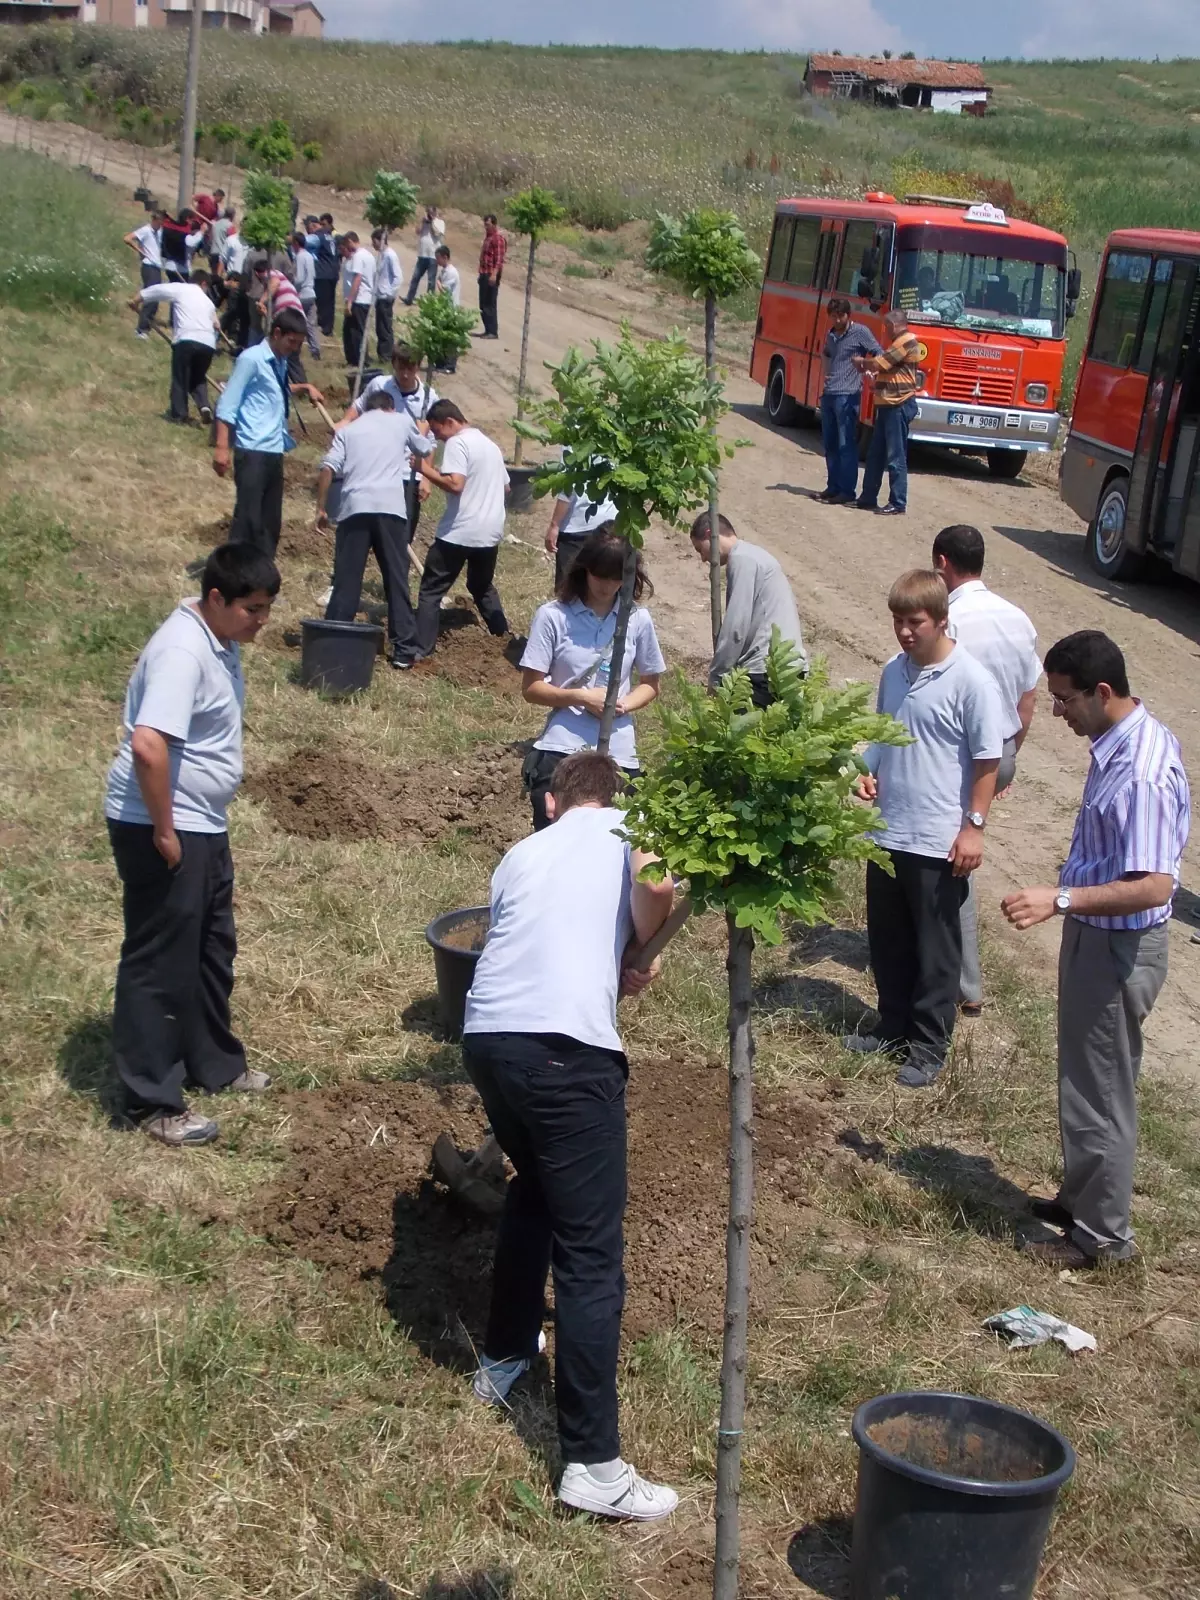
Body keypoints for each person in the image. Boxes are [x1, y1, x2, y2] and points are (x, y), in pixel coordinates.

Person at [462, 749, 679, 1522]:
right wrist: (639, 946)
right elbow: (658, 886)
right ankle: (593, 1464)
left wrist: (618, 949)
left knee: (535, 1192)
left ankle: (505, 1352)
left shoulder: (521, 851)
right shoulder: (633, 824)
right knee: (591, 1255)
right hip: (567, 1052)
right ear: (611, 799)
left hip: (489, 1038)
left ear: (554, 803)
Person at [1002, 632, 1190, 1268]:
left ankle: (1102, 1238)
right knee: (1085, 1079)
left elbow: (1155, 885)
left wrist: (1060, 900)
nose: (1057, 712)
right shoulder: (1118, 742)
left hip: (1119, 947)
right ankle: (1081, 1198)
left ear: (1102, 692)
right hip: (1099, 941)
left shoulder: (1139, 771)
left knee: (1103, 1092)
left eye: (1063, 700)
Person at [104, 543, 280, 1147]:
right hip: (165, 824)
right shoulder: (182, 651)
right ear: (215, 599)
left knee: (209, 948)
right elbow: (149, 745)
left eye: (266, 608)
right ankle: (150, 1100)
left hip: (201, 821)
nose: (263, 620)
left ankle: (214, 1063)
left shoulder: (220, 640)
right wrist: (163, 829)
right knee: (160, 960)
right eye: (253, 609)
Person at [845, 570, 1003, 1087]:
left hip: (938, 839)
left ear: (941, 619)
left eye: (915, 622)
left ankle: (929, 1046)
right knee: (888, 940)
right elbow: (883, 737)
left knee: (937, 951)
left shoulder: (971, 681)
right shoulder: (894, 672)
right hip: (889, 831)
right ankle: (891, 1026)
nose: (905, 632)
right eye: (897, 621)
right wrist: (866, 771)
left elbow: (988, 761)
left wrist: (973, 827)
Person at [933, 524, 1042, 1018]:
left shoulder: (948, 619)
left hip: (960, 758)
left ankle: (964, 983)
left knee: (953, 862)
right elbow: (1028, 697)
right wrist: (1009, 756)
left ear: (942, 563)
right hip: (1000, 749)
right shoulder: (1016, 618)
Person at [520, 531, 665, 830]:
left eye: (617, 578)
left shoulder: (637, 620)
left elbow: (650, 683)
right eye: (601, 576)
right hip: (564, 743)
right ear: (585, 569)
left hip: (619, 749)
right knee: (555, 831)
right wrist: (581, 697)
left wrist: (621, 705)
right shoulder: (553, 616)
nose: (608, 586)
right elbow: (531, 688)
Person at [317, 390, 434, 670]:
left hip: (354, 508)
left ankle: (334, 643)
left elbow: (328, 467)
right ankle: (404, 649)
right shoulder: (402, 421)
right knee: (395, 578)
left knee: (347, 580)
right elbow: (425, 448)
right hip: (390, 509)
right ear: (390, 408)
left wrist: (321, 508)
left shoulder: (349, 430)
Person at [214, 308, 325, 556]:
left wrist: (305, 387)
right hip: (252, 449)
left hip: (274, 450)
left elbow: (278, 388)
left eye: (299, 344)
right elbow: (227, 404)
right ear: (277, 333)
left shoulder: (279, 361)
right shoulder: (251, 359)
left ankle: (261, 580)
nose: (294, 348)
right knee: (248, 520)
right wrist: (222, 448)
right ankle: (234, 574)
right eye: (291, 342)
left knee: (269, 523)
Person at [413, 401, 510, 658]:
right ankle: (503, 636)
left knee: (431, 592)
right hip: (489, 532)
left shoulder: (458, 442)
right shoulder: (491, 446)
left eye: (437, 431)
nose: (438, 439)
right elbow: (506, 488)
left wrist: (423, 469)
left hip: (460, 532)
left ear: (450, 422)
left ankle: (421, 652)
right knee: (481, 586)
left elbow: (456, 484)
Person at [689, 513, 807, 708]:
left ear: (711, 534)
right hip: (789, 666)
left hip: (765, 671)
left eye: (700, 549)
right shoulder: (755, 556)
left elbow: (736, 626)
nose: (702, 558)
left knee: (741, 735)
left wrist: (717, 677)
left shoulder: (742, 559)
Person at [340, 344, 437, 534]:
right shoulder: (379, 385)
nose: (406, 374)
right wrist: (344, 422)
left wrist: (426, 478)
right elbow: (358, 406)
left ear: (418, 367)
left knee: (404, 531)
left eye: (411, 368)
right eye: (401, 368)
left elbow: (430, 442)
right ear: (394, 364)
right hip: (377, 468)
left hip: (408, 475)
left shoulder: (428, 397)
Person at [854, 308, 923, 516]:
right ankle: (868, 497)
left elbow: (880, 363)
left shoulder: (907, 340)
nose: (885, 331)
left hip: (898, 405)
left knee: (895, 456)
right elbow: (888, 370)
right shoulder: (898, 343)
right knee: (876, 455)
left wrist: (861, 363)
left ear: (893, 325)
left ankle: (898, 502)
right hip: (887, 404)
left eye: (887, 327)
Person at [131, 267, 220, 426]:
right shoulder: (208, 302)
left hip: (186, 339)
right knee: (198, 378)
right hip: (208, 343)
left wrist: (135, 300)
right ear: (203, 283)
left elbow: (156, 290)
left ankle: (179, 414)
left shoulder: (181, 289)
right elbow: (216, 324)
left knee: (180, 377)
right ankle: (204, 406)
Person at [818, 297, 880, 504]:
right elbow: (827, 354)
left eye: (840, 316)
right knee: (830, 444)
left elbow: (879, 353)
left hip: (848, 394)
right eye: (833, 316)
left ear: (848, 315)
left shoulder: (860, 332)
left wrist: (866, 367)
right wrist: (827, 372)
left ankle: (847, 491)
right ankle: (833, 487)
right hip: (829, 393)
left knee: (846, 445)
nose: (836, 320)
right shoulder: (832, 335)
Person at [544, 458, 618, 589]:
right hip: (609, 527)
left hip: (576, 528)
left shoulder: (576, 444)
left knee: (568, 587)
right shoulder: (619, 443)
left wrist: (554, 525)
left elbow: (567, 488)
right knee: (602, 584)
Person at [125, 209, 166, 337]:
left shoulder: (160, 232)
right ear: (154, 220)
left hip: (157, 266)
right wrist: (140, 251)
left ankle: (146, 326)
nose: (160, 225)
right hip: (148, 265)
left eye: (162, 223)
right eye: (158, 222)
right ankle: (141, 329)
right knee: (151, 297)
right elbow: (127, 238)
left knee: (155, 297)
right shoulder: (146, 230)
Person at [340, 232, 376, 368]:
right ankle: (355, 359)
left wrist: (350, 301)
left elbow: (358, 279)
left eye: (346, 244)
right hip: (362, 299)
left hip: (359, 299)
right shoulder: (368, 255)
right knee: (350, 330)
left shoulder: (358, 257)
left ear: (350, 241)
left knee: (356, 332)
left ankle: (359, 360)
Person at [370, 228, 402, 365]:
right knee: (380, 327)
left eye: (374, 242)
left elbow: (398, 277)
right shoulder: (382, 255)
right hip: (380, 297)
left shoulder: (390, 255)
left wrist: (389, 293)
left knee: (385, 327)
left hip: (385, 297)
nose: (373, 245)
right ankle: (382, 353)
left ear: (380, 240)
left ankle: (387, 355)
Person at [404, 205, 445, 304]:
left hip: (433, 255)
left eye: (431, 213)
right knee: (415, 277)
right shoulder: (424, 222)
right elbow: (417, 231)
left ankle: (429, 302)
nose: (429, 215)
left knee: (431, 281)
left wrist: (431, 222)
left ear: (435, 213)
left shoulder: (440, 223)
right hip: (422, 254)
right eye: (427, 212)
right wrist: (422, 222)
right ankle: (409, 298)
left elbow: (436, 234)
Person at [291, 230, 321, 361]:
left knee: (296, 322)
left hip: (302, 294)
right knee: (310, 324)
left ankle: (295, 347)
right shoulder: (309, 256)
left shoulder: (299, 256)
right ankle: (315, 350)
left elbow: (299, 278)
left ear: (296, 243)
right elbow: (313, 275)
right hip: (311, 293)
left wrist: (292, 288)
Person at [308, 213, 340, 336]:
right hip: (332, 273)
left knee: (323, 301)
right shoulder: (331, 236)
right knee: (330, 301)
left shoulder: (318, 236)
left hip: (323, 273)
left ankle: (325, 327)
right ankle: (327, 326)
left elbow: (303, 242)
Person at [477, 213, 507, 340]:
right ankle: (487, 329)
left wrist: (494, 275)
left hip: (491, 274)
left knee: (490, 303)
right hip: (484, 272)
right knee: (483, 303)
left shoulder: (497, 239)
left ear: (494, 224)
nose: (486, 227)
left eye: (488, 224)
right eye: (485, 224)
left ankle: (492, 331)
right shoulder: (488, 238)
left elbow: (499, 260)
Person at [434, 245, 462, 372]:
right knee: (442, 336)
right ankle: (441, 362)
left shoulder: (451, 272)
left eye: (438, 258)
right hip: (444, 307)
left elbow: (444, 289)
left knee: (450, 338)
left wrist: (438, 283)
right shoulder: (444, 271)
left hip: (451, 308)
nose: (437, 261)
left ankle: (450, 366)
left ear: (445, 257)